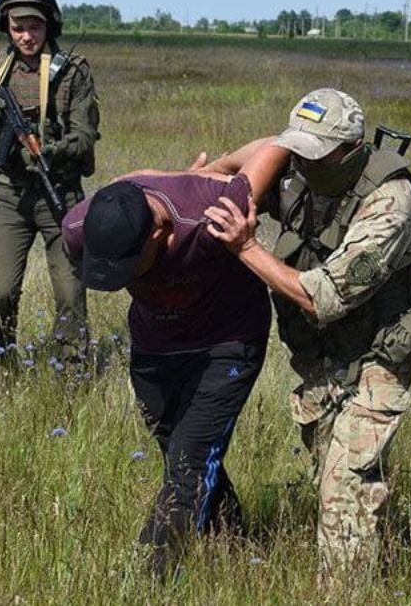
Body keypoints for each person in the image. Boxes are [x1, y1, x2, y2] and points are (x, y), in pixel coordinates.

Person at [204, 88, 411, 585]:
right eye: (298, 149)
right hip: (320, 357)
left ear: (350, 150)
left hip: (376, 354)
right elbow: (264, 151)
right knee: (332, 477)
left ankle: (343, 593)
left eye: (314, 152)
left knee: (346, 490)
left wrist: (246, 247)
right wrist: (219, 169)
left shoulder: (390, 203)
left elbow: (324, 296)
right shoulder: (301, 167)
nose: (300, 162)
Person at [60, 144, 288, 578]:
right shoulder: (79, 227)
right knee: (178, 451)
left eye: (129, 266)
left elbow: (276, 146)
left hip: (228, 340)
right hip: (155, 343)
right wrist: (167, 175)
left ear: (158, 234)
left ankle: (151, 576)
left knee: (188, 460)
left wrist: (217, 171)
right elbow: (125, 186)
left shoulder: (207, 214)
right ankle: (234, 544)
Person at [0, 0, 100, 371]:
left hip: (61, 193)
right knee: (1, 291)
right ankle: (3, 366)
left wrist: (52, 151)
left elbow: (85, 136)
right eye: (18, 27)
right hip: (10, 195)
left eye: (34, 26)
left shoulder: (72, 73)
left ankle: (71, 373)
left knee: (70, 294)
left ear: (48, 25)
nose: (27, 35)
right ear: (6, 26)